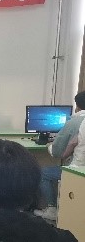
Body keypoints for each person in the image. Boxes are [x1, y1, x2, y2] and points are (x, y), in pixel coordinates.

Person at [35, 91, 85, 221]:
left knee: (43, 172)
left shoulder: (75, 122)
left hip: (77, 170)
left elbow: (57, 152)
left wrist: (50, 145)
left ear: (77, 106)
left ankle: (51, 209)